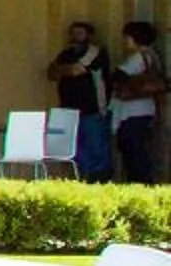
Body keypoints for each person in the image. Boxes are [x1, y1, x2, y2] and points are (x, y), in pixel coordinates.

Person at [47, 21, 112, 180]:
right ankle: (83, 178)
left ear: (89, 35)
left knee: (96, 149)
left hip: (92, 108)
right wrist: (63, 70)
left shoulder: (95, 52)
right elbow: (51, 73)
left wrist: (63, 70)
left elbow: (76, 70)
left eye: (80, 33)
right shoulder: (65, 54)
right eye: (73, 33)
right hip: (68, 109)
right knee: (74, 149)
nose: (75, 37)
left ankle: (100, 180)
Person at [114, 20, 165, 186]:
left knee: (133, 152)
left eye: (127, 37)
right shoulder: (152, 55)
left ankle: (139, 186)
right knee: (140, 150)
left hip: (133, 111)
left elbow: (119, 76)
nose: (125, 41)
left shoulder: (138, 56)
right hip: (146, 109)